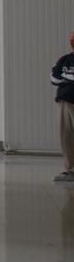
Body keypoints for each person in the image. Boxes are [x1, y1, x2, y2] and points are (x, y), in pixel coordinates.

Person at [52, 31, 74, 183]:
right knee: (65, 136)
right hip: (65, 102)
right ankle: (69, 169)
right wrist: (69, 78)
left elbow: (61, 78)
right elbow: (53, 78)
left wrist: (66, 78)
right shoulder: (64, 60)